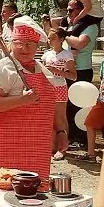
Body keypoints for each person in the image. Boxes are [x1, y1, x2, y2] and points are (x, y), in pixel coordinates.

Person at [0, 16, 60, 183]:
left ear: (37, 46)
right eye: (19, 43)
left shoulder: (42, 69)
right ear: (11, 44)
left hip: (38, 147)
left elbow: (53, 105)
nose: (24, 48)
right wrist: (22, 100)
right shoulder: (4, 69)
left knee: (36, 194)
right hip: (9, 145)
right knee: (7, 191)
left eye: (30, 44)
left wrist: (61, 131)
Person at [64, 0, 99, 147]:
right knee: (68, 106)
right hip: (68, 70)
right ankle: (72, 136)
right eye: (67, 10)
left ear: (81, 10)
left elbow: (79, 43)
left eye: (71, 10)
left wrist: (62, 34)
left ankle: (82, 138)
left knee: (80, 106)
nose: (68, 13)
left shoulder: (91, 27)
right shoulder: (72, 27)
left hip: (82, 70)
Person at [41, 27, 77, 160]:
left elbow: (73, 76)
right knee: (49, 116)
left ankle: (63, 147)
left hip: (60, 87)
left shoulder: (67, 55)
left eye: (53, 38)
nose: (50, 41)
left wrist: (57, 71)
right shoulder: (46, 54)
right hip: (48, 88)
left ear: (61, 39)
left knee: (61, 117)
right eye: (49, 38)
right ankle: (52, 145)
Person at [81, 31, 104, 162]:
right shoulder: (103, 61)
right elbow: (102, 79)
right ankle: (91, 154)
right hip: (102, 100)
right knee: (90, 123)